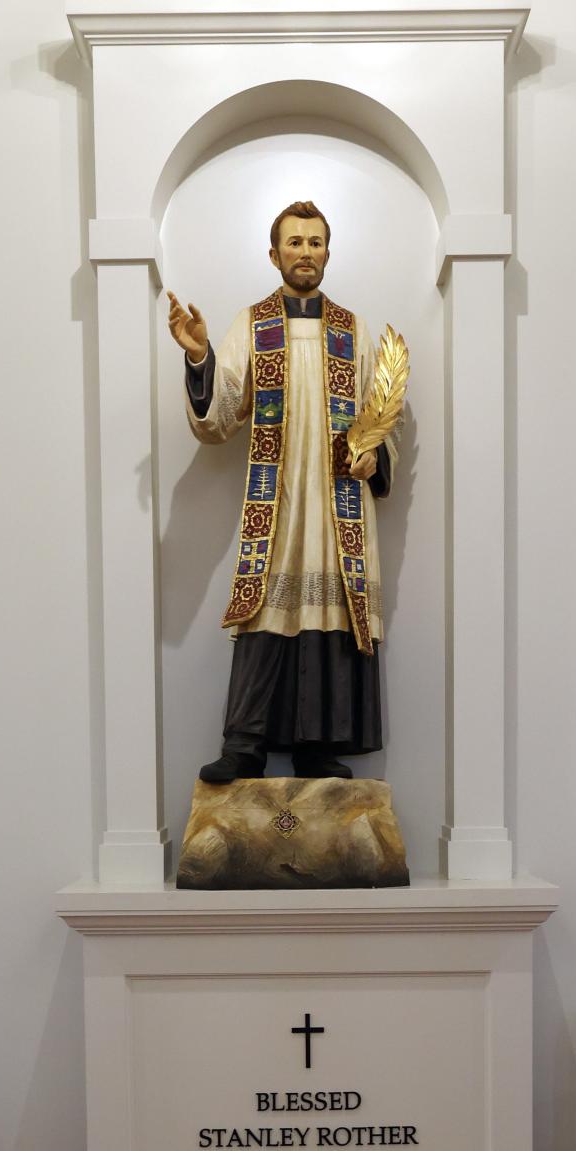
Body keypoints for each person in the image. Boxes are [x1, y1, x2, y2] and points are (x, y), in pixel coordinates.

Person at [168, 200, 396, 783]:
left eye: (315, 242)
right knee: (266, 608)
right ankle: (244, 744)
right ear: (274, 254)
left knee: (333, 614)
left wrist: (375, 457)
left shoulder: (354, 329)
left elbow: (379, 415)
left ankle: (319, 747)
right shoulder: (252, 325)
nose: (305, 253)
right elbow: (219, 418)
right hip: (278, 496)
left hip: (339, 503)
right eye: (294, 243)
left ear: (327, 253)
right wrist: (199, 358)